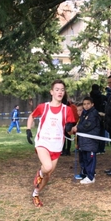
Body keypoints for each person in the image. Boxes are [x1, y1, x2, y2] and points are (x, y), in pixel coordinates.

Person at [26, 79, 76, 207]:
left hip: (57, 146)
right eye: (57, 89)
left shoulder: (67, 110)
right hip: (43, 142)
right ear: (51, 92)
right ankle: (40, 173)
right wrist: (28, 129)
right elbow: (32, 116)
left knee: (48, 174)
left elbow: (70, 130)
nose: (60, 92)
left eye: (62, 90)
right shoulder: (44, 107)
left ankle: (35, 194)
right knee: (46, 167)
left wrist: (73, 129)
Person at [71, 97, 100, 184]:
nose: (86, 106)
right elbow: (81, 124)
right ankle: (84, 174)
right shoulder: (84, 114)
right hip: (84, 141)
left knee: (90, 159)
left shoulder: (93, 114)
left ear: (92, 104)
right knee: (83, 158)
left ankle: (91, 177)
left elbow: (87, 125)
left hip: (91, 141)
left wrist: (77, 128)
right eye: (84, 104)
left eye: (88, 104)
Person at [90, 84, 107, 154]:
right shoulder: (102, 96)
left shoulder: (91, 97)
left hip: (94, 116)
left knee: (95, 132)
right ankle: (101, 148)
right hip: (102, 115)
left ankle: (96, 148)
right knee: (102, 132)